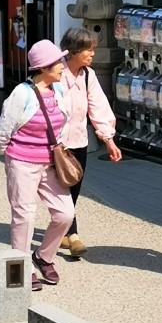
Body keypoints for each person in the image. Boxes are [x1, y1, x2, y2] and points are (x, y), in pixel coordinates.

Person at [0, 40, 75, 290]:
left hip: (50, 163)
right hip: (22, 162)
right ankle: (21, 266)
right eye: (58, 62)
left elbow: (64, 122)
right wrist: (4, 151)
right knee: (24, 216)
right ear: (43, 67)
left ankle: (43, 256)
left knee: (65, 214)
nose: (62, 66)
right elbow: (4, 127)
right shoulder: (22, 93)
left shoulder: (60, 91)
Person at [58, 27, 123, 257]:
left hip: (78, 141)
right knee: (61, 190)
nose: (92, 54)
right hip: (56, 144)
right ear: (73, 51)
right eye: (88, 49)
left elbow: (98, 107)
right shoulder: (56, 73)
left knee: (74, 187)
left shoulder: (87, 75)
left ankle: (63, 230)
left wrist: (109, 140)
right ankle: (72, 235)